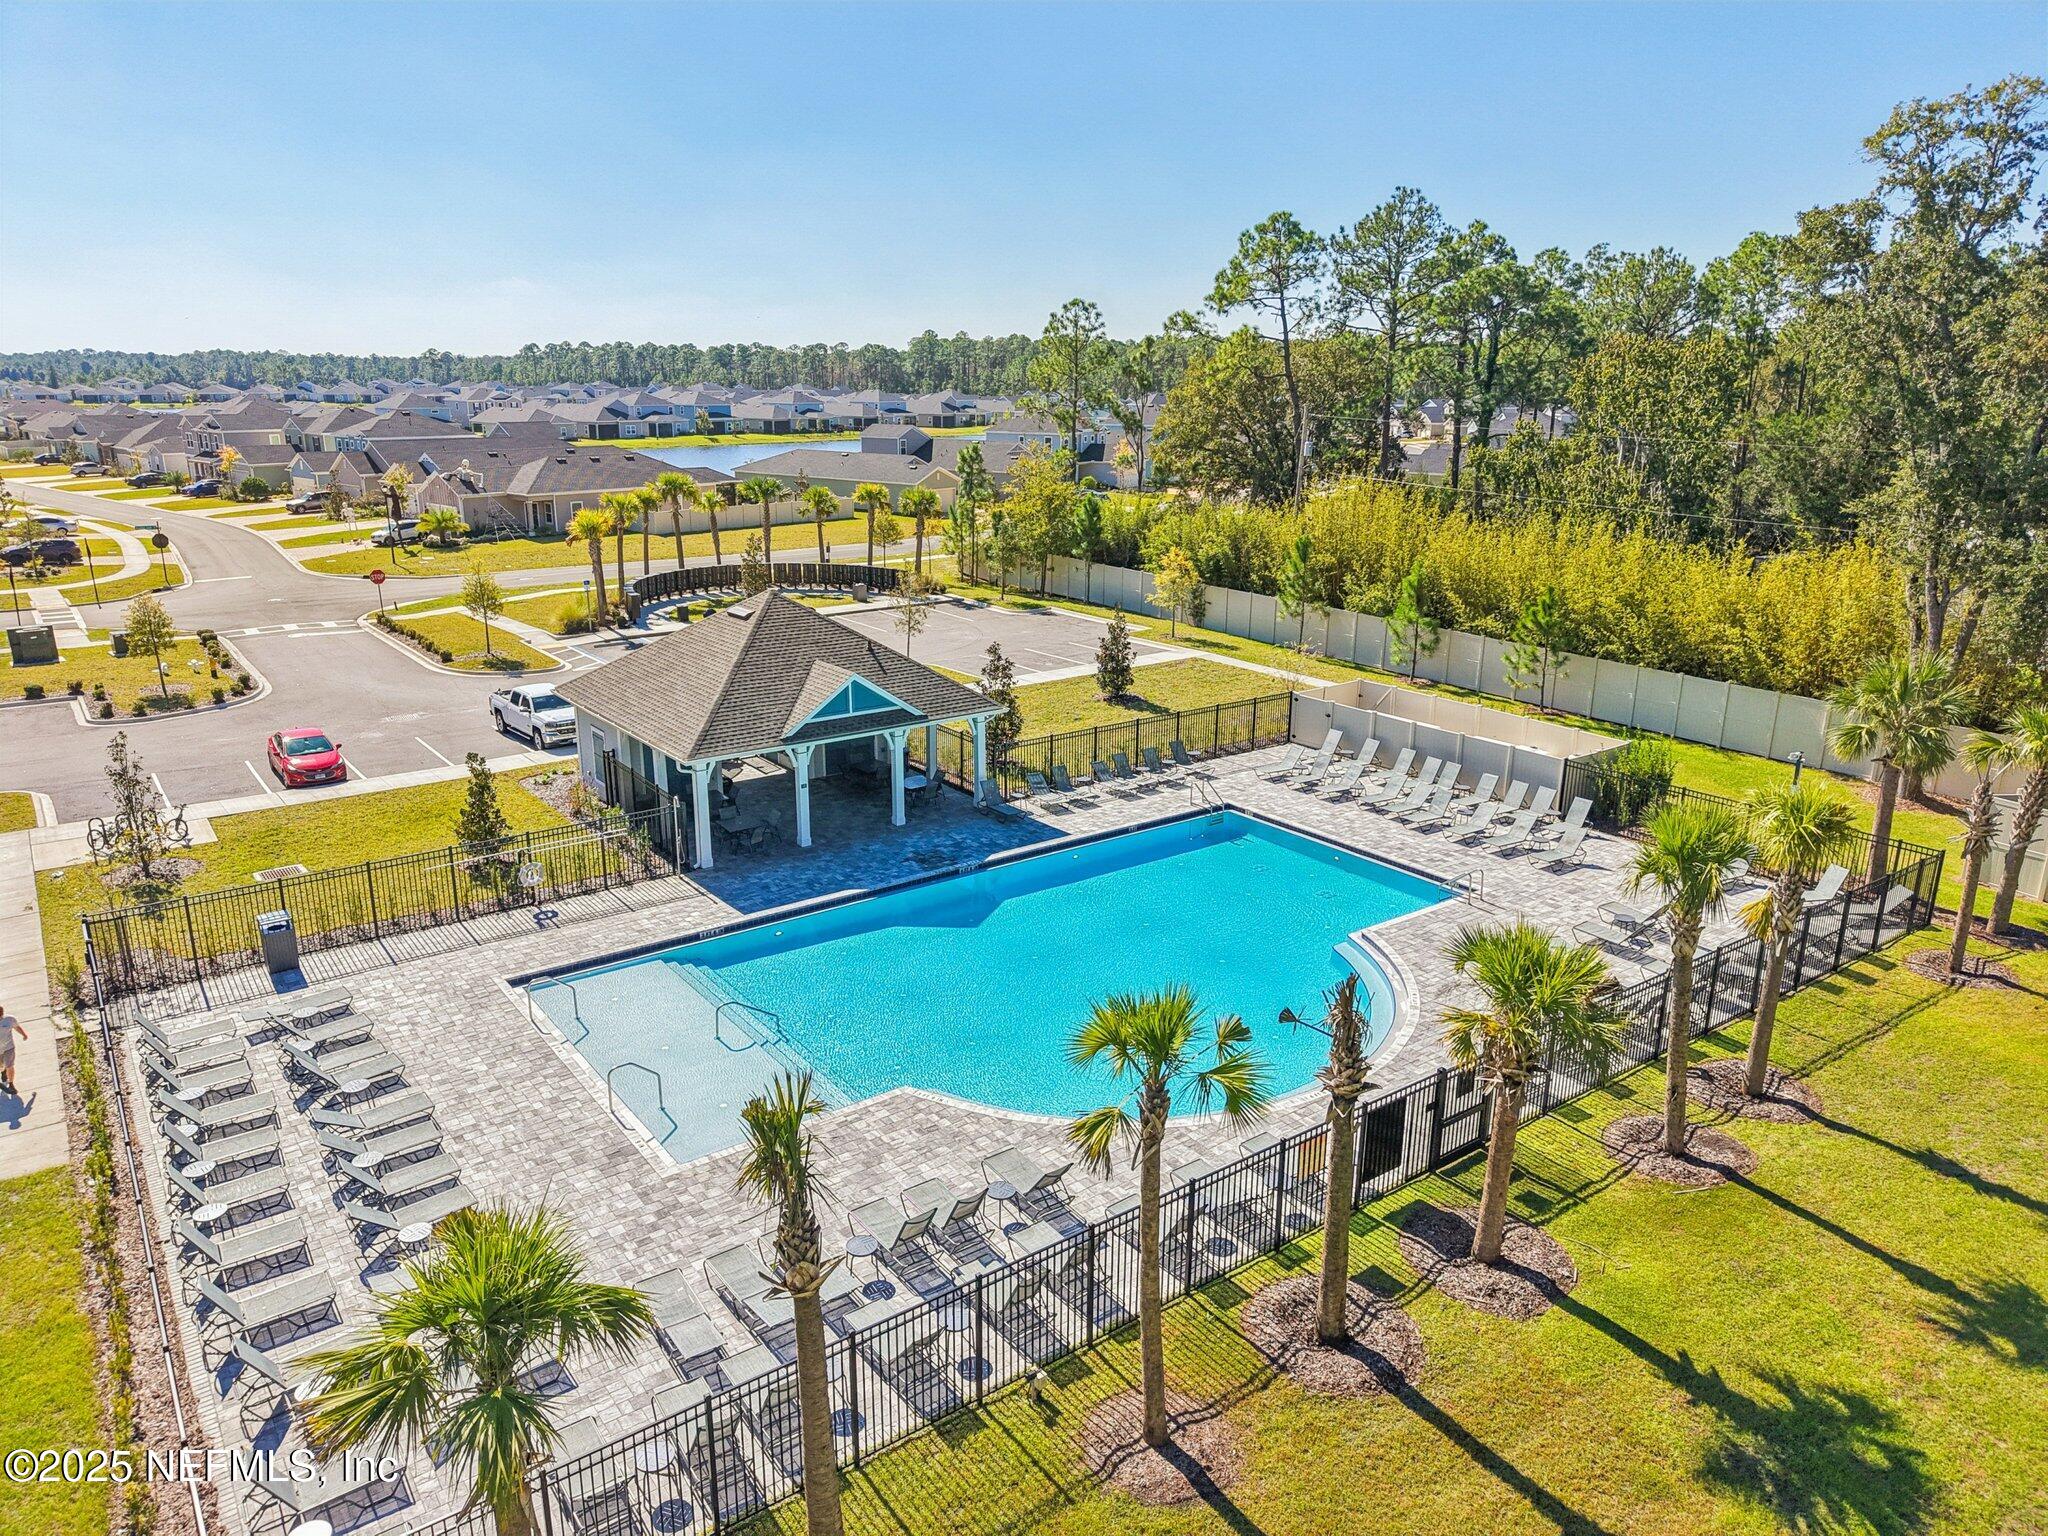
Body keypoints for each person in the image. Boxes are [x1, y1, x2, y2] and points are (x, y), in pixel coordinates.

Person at [0, 1003, 23, 1097]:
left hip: (8, 1048)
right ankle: (3, 1071)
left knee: (10, 1066)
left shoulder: (9, 1019)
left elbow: (17, 1027)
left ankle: (11, 1084)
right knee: (2, 1066)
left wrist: (24, 1035)